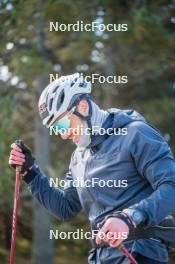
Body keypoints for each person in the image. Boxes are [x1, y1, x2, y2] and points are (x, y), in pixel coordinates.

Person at [9, 73, 175, 264]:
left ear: (83, 107)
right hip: (101, 257)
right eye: (57, 129)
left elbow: (171, 185)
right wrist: (31, 173)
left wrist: (130, 218)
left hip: (141, 251)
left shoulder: (135, 133)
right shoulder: (79, 157)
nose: (63, 135)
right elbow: (66, 208)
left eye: (63, 124)